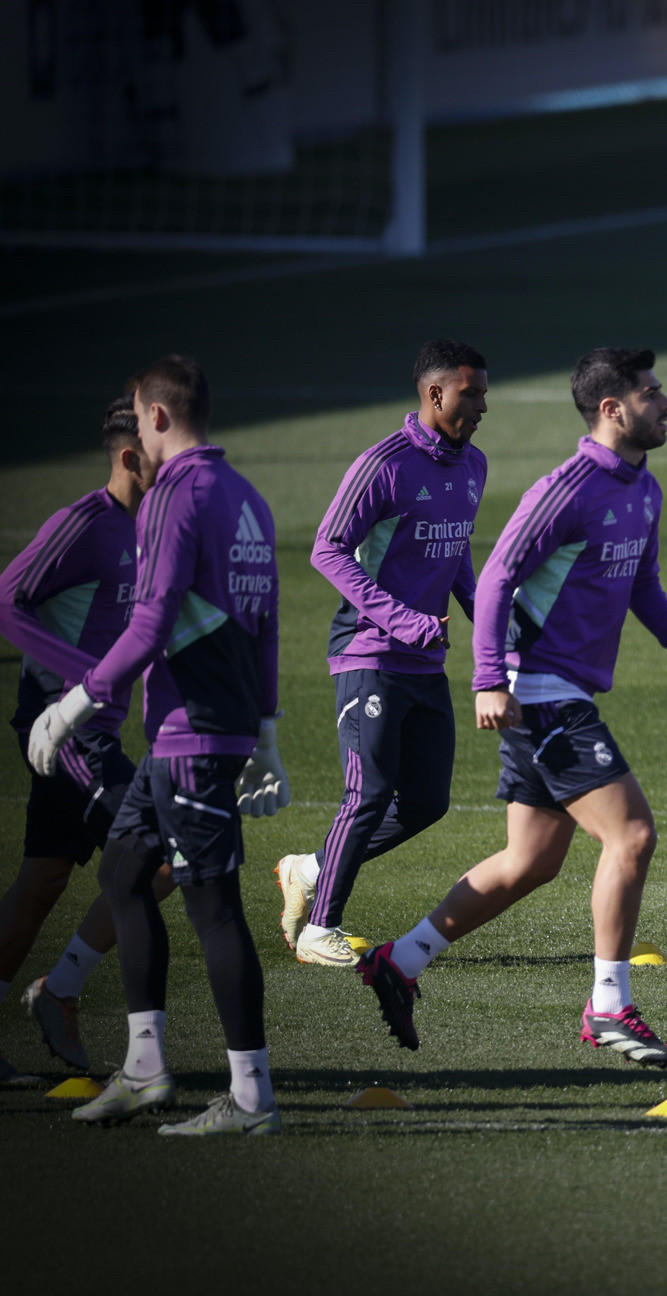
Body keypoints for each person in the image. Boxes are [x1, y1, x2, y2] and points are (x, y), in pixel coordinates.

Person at [356, 349, 667, 1064]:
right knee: (633, 836)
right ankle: (610, 1006)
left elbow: (641, 583)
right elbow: (495, 578)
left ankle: (399, 960)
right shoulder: (569, 487)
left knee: (530, 861)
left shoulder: (641, 487)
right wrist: (490, 679)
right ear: (612, 410)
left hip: (559, 691)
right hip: (541, 694)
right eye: (653, 394)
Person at [30, 356, 290, 1135]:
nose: (135, 432)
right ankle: (145, 1068)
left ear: (159, 416)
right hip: (205, 728)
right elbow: (265, 622)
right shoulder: (245, 496)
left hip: (193, 732)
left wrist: (75, 701)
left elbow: (150, 622)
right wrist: (268, 731)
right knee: (122, 869)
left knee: (215, 909)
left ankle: (251, 1099)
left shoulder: (173, 496)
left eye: (138, 417)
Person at [274, 340, 488, 966]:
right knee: (367, 793)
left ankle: (309, 868)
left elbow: (457, 552)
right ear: (434, 393)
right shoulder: (383, 465)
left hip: (424, 659)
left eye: (483, 392)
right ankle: (320, 928)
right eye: (470, 392)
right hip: (368, 651)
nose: (482, 405)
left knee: (426, 802)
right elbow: (327, 548)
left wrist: (489, 618)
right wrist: (401, 619)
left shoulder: (472, 465)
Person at [0, 398, 174, 1084]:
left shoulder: (153, 529)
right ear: (131, 457)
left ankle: (58, 990)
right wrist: (82, 681)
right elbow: (7, 598)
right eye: (163, 455)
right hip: (63, 729)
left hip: (94, 729)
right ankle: (63, 988)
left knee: (42, 879)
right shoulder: (81, 524)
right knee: (163, 855)